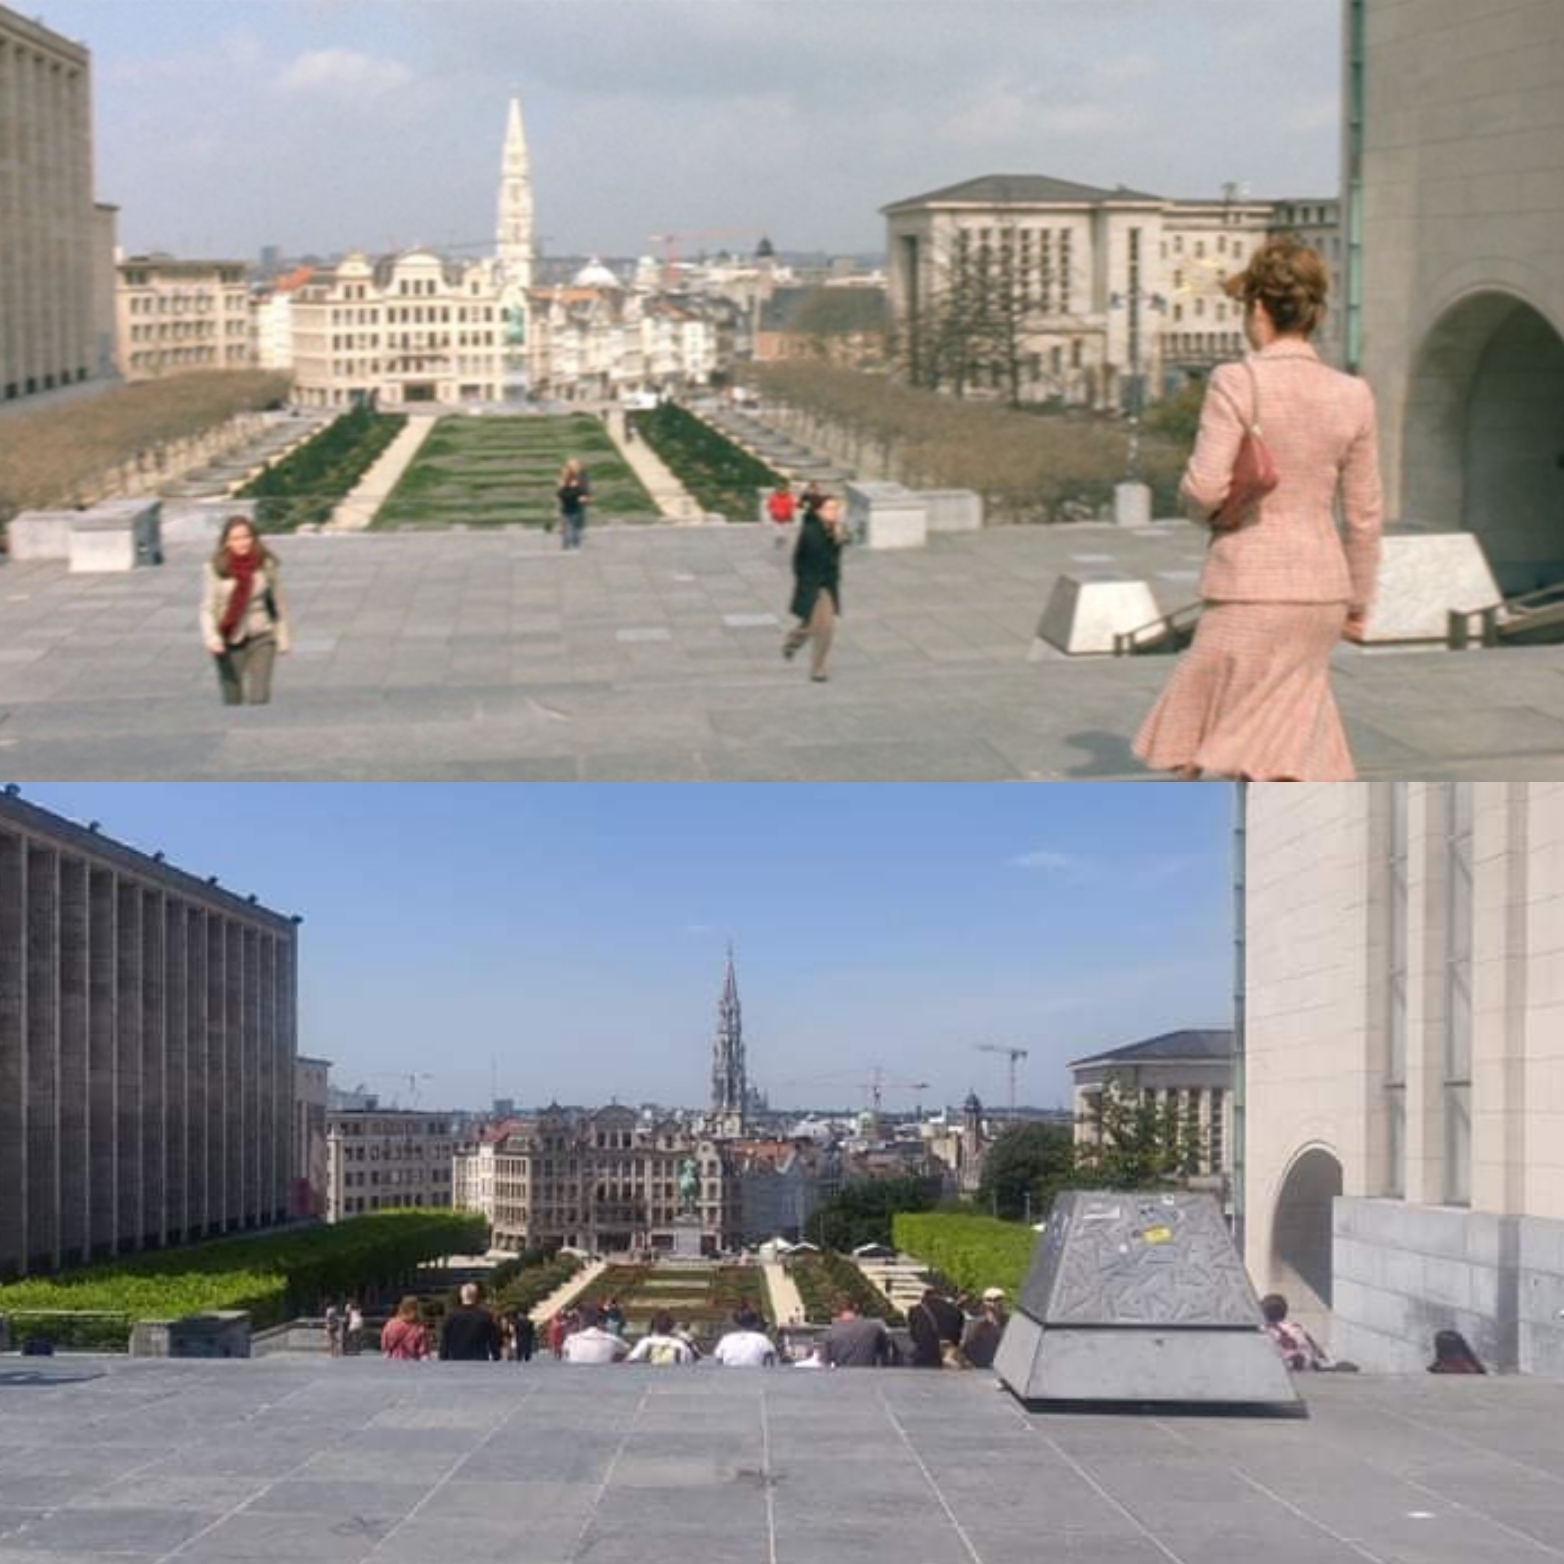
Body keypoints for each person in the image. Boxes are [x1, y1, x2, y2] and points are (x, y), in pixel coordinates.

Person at [1134, 234, 1383, 782]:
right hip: (1321, 594)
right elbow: (1364, 514)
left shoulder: (1237, 381)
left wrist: (1208, 514)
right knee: (1285, 751)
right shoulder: (1353, 394)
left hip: (1249, 589)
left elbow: (1204, 489)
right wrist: (1359, 599)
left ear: (1259, 308)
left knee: (1214, 750)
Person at [200, 515, 291, 706]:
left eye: (246, 537)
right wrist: (212, 638)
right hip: (229, 638)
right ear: (226, 542)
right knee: (232, 698)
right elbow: (208, 608)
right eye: (236, 538)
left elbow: (278, 602)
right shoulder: (215, 568)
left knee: (260, 696)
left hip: (262, 635)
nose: (242, 543)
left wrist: (283, 637)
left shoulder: (265, 564)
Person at [783, 494, 847, 683]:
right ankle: (805, 653)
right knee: (819, 626)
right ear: (819, 511)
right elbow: (822, 557)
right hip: (813, 584)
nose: (834, 512)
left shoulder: (831, 528)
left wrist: (838, 536)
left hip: (826, 584)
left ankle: (811, 659)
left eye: (836, 508)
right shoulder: (812, 531)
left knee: (821, 626)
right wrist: (835, 539)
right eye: (830, 509)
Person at [1260, 1293, 1330, 1371]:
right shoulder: (1297, 1328)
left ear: (1262, 1312)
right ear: (1285, 1311)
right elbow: (1321, 1356)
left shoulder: (1263, 1331)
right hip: (1308, 1372)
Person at [819, 1299, 896, 1368]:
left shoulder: (830, 1333)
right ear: (857, 1309)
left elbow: (824, 1364)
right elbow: (887, 1352)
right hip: (869, 1376)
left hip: (843, 1377)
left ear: (838, 1313)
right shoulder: (874, 1328)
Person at [439, 1282, 503, 1362]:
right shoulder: (486, 1317)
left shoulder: (451, 1317)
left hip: (456, 1362)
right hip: (480, 1362)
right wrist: (497, 1357)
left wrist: (443, 1359)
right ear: (476, 1296)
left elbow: (444, 1344)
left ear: (461, 1296)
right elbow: (493, 1343)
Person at [908, 1287, 966, 1369]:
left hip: (924, 1357)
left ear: (924, 1297)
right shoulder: (956, 1311)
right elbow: (958, 1337)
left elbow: (914, 1336)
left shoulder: (915, 1310)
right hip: (948, 1360)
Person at [562, 1304, 630, 1364]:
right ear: (600, 1321)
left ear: (582, 1321)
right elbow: (628, 1353)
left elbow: (565, 1358)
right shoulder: (614, 1340)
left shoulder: (570, 1340)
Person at [960, 1287, 1008, 1371]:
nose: (993, 1304)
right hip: (981, 1370)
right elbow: (966, 1350)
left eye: (997, 1299)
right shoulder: (975, 1325)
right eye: (989, 1300)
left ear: (1003, 1301)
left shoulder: (1011, 1324)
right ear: (984, 1302)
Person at [626, 1312, 695, 1365]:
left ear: (654, 1326)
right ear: (671, 1327)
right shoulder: (681, 1345)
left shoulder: (645, 1342)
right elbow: (690, 1363)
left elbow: (629, 1361)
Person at [380, 1296, 431, 1361]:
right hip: (412, 1363)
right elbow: (424, 1351)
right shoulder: (420, 1327)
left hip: (393, 1361)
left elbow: (384, 1345)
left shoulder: (390, 1324)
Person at [556, 459, 592, 550]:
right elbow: (560, 493)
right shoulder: (565, 479)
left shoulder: (581, 477)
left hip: (575, 505)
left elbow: (584, 489)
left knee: (575, 524)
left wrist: (584, 496)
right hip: (567, 505)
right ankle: (567, 542)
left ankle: (575, 540)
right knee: (567, 524)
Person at [765, 479, 797, 549]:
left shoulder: (789, 497)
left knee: (786, 529)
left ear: (786, 490)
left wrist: (791, 514)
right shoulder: (773, 497)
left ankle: (782, 538)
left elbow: (792, 506)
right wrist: (772, 512)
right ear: (778, 490)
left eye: (783, 490)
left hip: (786, 516)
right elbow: (769, 506)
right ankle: (779, 538)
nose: (781, 492)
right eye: (780, 490)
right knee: (778, 529)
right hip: (776, 515)